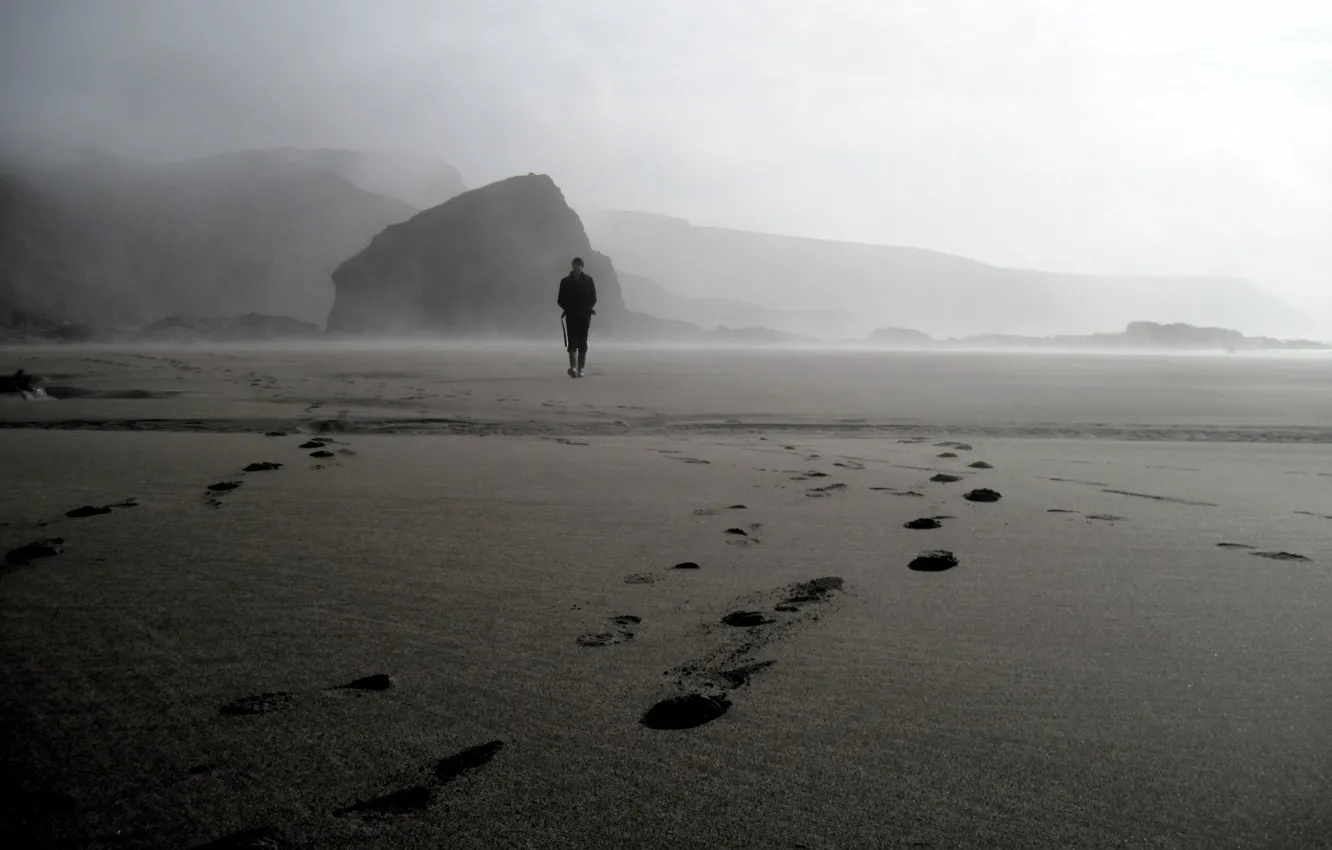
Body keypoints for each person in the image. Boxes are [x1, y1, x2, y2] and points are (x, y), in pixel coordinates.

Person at [557, 256, 597, 377]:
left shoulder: (589, 281)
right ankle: (573, 367)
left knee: (583, 341)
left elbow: (593, 298)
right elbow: (560, 299)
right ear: (572, 266)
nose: (577, 267)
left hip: (585, 316)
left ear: (582, 266)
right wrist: (568, 309)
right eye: (575, 264)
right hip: (571, 315)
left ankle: (581, 368)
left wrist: (586, 308)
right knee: (572, 340)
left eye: (579, 265)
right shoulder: (565, 281)